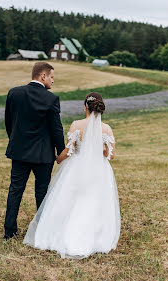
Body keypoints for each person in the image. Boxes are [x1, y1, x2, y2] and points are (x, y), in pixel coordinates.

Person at [23, 92, 121, 259]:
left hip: (76, 167)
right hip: (99, 169)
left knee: (71, 198)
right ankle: (94, 236)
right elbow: (110, 155)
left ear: (85, 107)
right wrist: (97, 150)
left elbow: (68, 150)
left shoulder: (76, 125)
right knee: (94, 200)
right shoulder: (106, 128)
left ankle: (65, 232)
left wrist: (58, 159)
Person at [4, 62, 65, 240]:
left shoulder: (14, 93)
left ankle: (9, 232)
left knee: (15, 190)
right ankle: (41, 232)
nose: (53, 81)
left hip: (19, 152)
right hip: (43, 155)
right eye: (52, 77)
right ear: (43, 76)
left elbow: (9, 122)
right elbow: (56, 129)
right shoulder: (51, 99)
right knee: (42, 192)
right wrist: (61, 151)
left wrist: (15, 141)